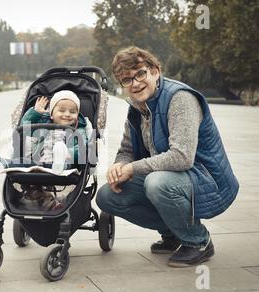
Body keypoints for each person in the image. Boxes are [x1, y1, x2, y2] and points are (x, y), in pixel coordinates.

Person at [96, 46, 239, 267]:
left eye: (140, 73)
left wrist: (132, 169)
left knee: (157, 183)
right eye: (127, 80)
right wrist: (120, 165)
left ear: (155, 70)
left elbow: (181, 157)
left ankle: (198, 241)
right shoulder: (136, 106)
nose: (135, 83)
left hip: (205, 177)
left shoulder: (180, 98)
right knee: (107, 196)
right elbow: (127, 149)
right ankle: (173, 233)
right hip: (171, 176)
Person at [0, 90, 89, 210]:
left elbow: (82, 149)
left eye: (73, 112)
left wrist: (69, 153)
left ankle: (61, 155)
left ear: (77, 115)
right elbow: (25, 128)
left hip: (65, 164)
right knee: (25, 162)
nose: (67, 114)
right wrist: (35, 113)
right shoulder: (43, 125)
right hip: (40, 161)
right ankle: (5, 163)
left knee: (63, 155)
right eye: (62, 110)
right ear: (51, 114)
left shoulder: (79, 131)